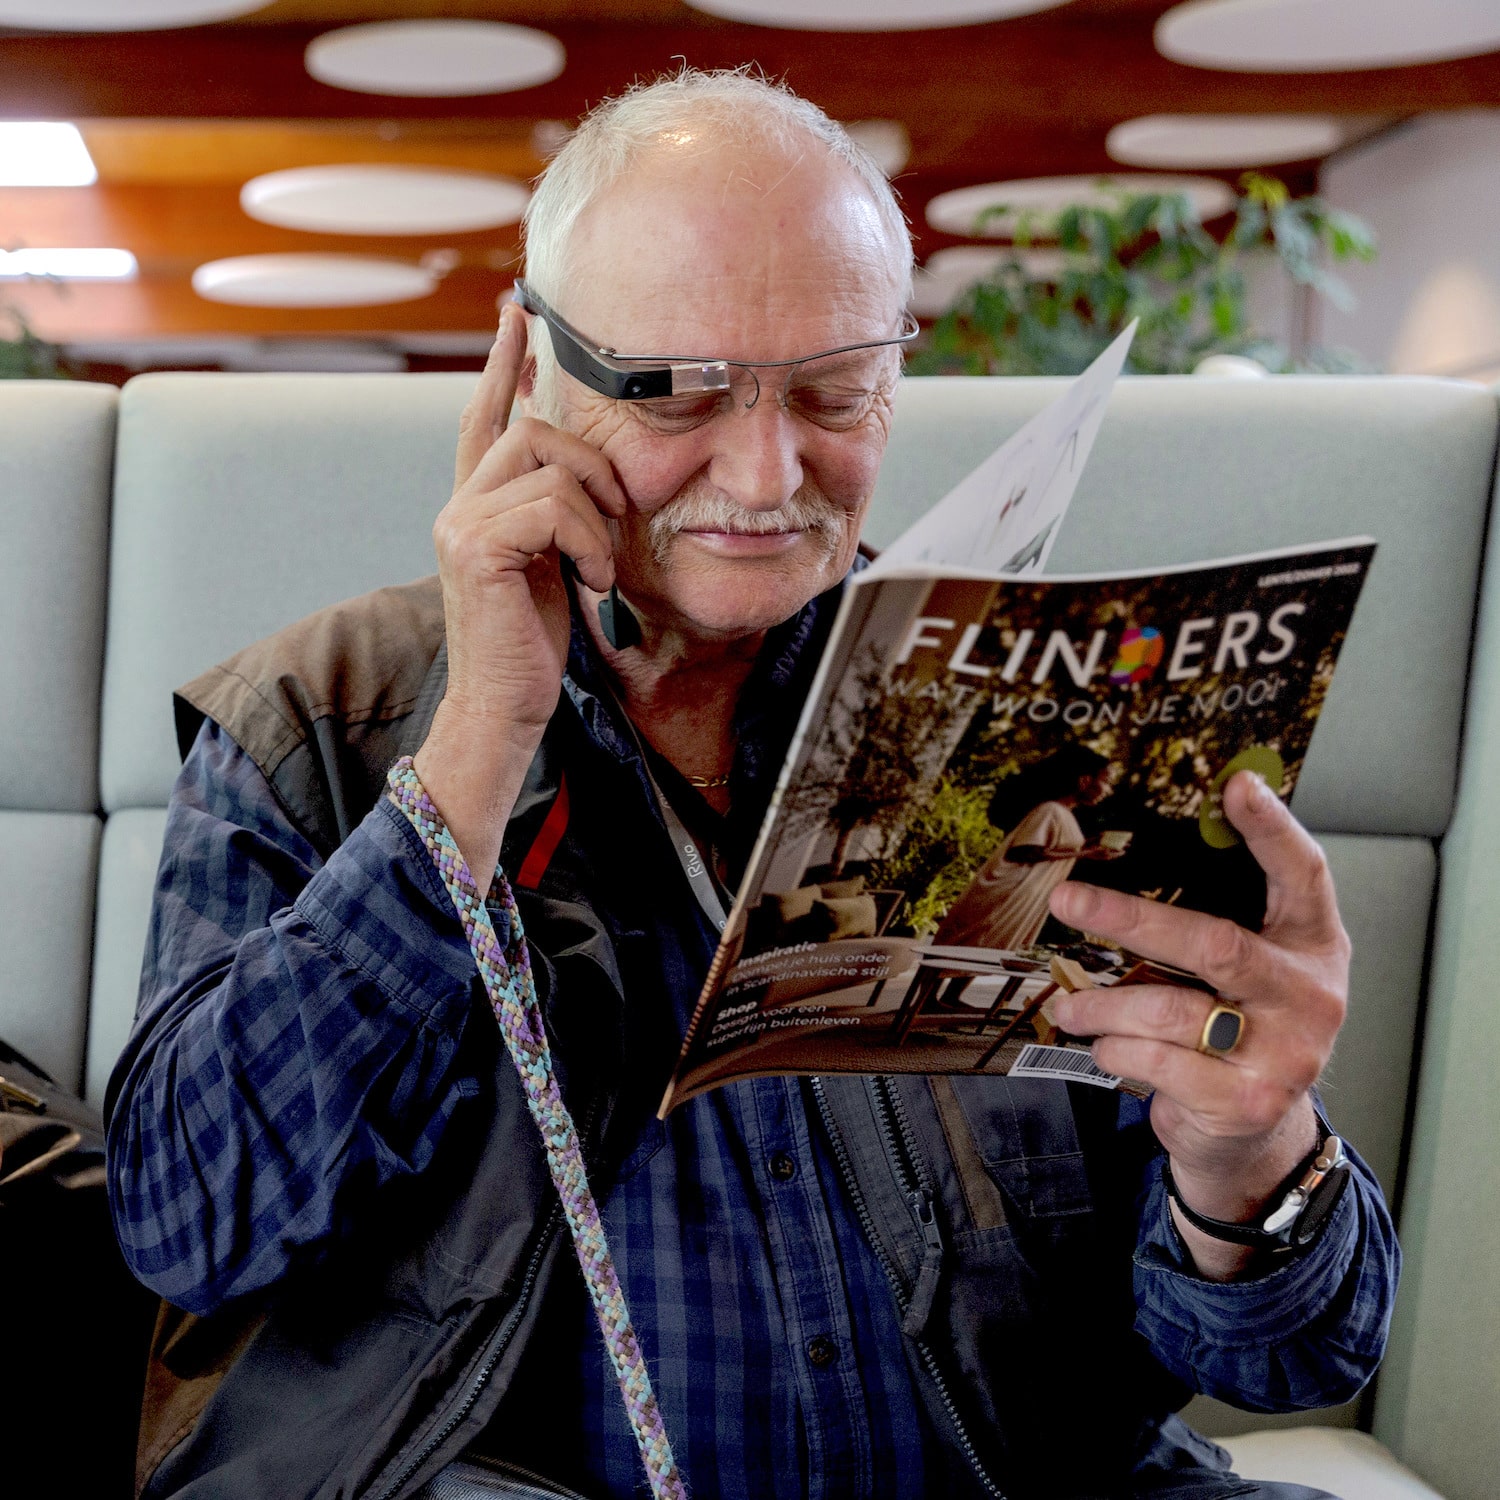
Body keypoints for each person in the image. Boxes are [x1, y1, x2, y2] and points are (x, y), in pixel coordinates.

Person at [106, 70, 1397, 1500]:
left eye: (834, 389)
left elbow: (1296, 1361)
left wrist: (1251, 1151)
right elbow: (188, 1223)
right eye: (679, 389)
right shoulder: (315, 722)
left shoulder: (1045, 709)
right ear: (537, 369)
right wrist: (479, 739)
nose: (768, 470)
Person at [934, 745, 1119, 952]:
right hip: (1011, 891)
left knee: (987, 954)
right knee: (970, 947)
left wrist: (1090, 844)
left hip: (1029, 894)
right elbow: (1023, 851)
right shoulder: (1050, 809)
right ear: (1084, 780)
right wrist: (1086, 853)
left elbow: (1055, 848)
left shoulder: (1064, 813)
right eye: (1106, 782)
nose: (1109, 790)